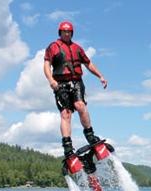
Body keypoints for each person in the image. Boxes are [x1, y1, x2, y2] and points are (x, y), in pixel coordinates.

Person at [43, 21, 108, 164]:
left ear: (72, 33)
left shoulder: (77, 48)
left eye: (69, 32)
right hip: (61, 84)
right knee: (66, 114)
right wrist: (51, 80)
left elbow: (88, 64)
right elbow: (47, 65)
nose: (67, 34)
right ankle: (67, 147)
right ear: (60, 33)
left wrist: (100, 76)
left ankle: (90, 136)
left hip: (77, 82)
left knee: (80, 106)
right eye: (64, 32)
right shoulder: (53, 47)